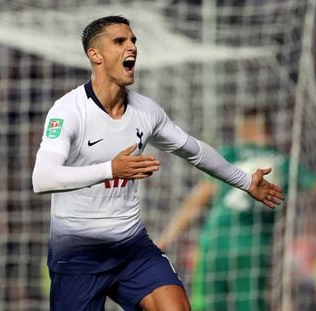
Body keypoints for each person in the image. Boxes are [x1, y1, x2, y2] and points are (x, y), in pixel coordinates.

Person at [31, 15, 284, 311]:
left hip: (131, 248)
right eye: (119, 41)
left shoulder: (146, 111)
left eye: (133, 40)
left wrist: (244, 181)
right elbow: (42, 178)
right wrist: (111, 169)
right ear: (95, 55)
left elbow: (195, 151)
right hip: (77, 256)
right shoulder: (68, 111)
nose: (132, 47)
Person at [156, 108, 316, 311]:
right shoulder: (285, 163)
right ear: (269, 130)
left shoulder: (230, 154)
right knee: (251, 305)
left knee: (207, 304)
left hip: (217, 244)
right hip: (254, 247)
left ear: (245, 130)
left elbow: (197, 201)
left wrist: (167, 237)